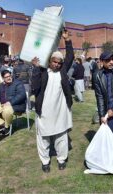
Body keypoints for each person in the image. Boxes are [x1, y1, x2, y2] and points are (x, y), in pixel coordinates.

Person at [31, 29, 74, 173]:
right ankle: (45, 161)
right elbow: (35, 88)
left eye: (59, 63)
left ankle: (61, 159)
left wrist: (67, 40)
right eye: (54, 62)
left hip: (60, 110)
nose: (57, 65)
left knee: (61, 136)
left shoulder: (62, 71)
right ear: (50, 61)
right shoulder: (42, 72)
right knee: (43, 137)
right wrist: (36, 69)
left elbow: (70, 57)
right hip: (44, 110)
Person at [0, 70, 26, 135]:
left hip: (16, 105)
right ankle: (1, 124)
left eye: (9, 76)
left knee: (7, 110)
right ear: (3, 78)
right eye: (6, 77)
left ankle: (7, 127)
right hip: (3, 104)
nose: (8, 78)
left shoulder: (18, 83)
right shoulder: (1, 85)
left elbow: (22, 95)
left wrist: (10, 102)